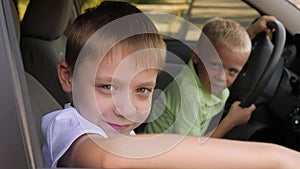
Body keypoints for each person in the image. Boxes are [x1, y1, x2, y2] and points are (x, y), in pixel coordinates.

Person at [41, 1, 300, 168]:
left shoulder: (119, 131)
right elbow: (107, 158)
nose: (125, 108)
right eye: (107, 87)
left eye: (142, 90)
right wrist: (278, 158)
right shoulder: (68, 126)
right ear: (68, 78)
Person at [145, 16, 276, 138]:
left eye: (232, 70)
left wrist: (252, 31)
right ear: (196, 56)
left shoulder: (205, 73)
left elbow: (229, 52)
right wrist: (231, 121)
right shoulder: (188, 94)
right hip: (161, 155)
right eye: (215, 65)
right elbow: (193, 150)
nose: (221, 77)